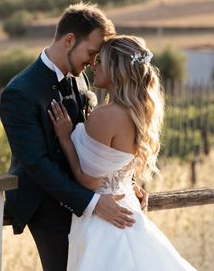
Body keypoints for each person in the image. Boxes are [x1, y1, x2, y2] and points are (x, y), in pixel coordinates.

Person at [0, 3, 148, 271]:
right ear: (69, 40)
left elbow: (101, 145)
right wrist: (92, 203)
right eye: (92, 53)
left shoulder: (80, 80)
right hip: (48, 206)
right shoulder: (20, 93)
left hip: (91, 196)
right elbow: (36, 163)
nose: (93, 64)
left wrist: (125, 182)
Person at [48, 34, 196, 270]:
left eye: (100, 61)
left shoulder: (106, 115)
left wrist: (65, 138)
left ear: (116, 69)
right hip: (126, 206)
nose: (93, 66)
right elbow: (116, 165)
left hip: (104, 219)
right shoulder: (138, 112)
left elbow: (88, 182)